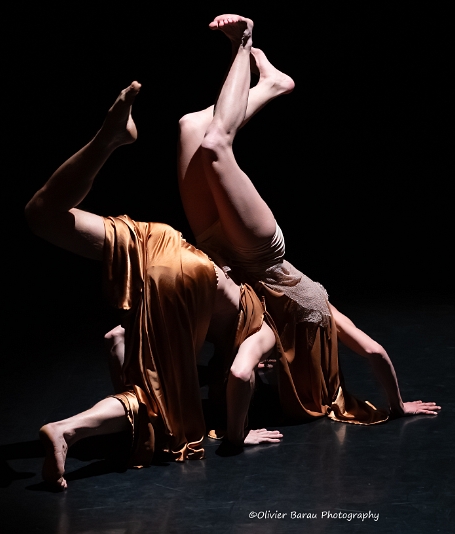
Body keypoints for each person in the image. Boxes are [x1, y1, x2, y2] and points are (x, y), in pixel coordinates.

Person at [173, 14, 441, 425]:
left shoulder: (258, 337)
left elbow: (226, 368)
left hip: (215, 248)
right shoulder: (317, 315)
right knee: (214, 144)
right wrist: (398, 406)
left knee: (190, 126)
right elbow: (373, 351)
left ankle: (271, 86)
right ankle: (243, 42)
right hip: (260, 253)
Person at [25, 79, 282, 490]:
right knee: (160, 402)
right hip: (186, 274)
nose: (265, 367)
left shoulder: (225, 320)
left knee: (43, 215)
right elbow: (239, 374)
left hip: (162, 241)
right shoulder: (265, 327)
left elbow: (115, 337)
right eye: (272, 366)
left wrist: (137, 385)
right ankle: (66, 430)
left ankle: (109, 139)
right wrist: (238, 435)